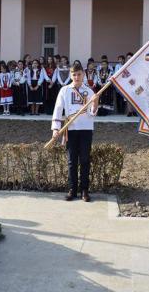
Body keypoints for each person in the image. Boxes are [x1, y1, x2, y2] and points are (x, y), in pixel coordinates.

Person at [51, 62, 99, 202]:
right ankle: (72, 189)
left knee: (84, 159)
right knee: (72, 161)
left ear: (83, 75)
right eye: (74, 75)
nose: (77, 77)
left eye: (79, 74)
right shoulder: (64, 90)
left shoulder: (89, 92)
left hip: (86, 129)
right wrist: (55, 128)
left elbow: (92, 114)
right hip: (71, 129)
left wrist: (95, 103)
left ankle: (84, 190)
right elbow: (58, 109)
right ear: (71, 75)